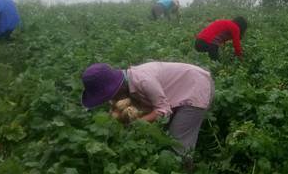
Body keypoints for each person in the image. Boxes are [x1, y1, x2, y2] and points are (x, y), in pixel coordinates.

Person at [81, 61, 214, 159]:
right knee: (166, 134)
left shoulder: (143, 81)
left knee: (177, 142)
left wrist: (135, 124)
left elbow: (163, 111)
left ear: (118, 88)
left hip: (196, 87)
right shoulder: (128, 84)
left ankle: (187, 173)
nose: (112, 100)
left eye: (110, 96)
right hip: (181, 89)